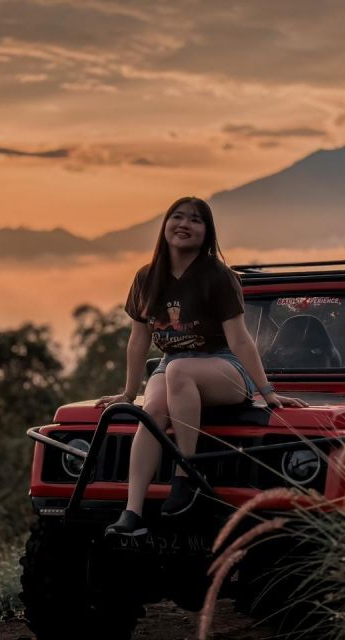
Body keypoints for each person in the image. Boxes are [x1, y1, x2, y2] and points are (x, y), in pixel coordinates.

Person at [95, 196, 309, 537]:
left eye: (195, 220)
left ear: (206, 232)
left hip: (223, 366)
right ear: (164, 226)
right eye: (177, 217)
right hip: (170, 364)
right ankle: (132, 512)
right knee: (152, 409)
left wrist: (268, 392)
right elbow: (138, 340)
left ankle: (187, 477)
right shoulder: (146, 278)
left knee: (178, 372)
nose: (184, 224)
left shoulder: (219, 276)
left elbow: (239, 340)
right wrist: (127, 392)